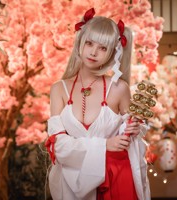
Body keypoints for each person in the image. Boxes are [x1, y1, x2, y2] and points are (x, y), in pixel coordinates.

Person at [45, 8, 150, 200]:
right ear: (80, 43)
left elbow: (132, 139)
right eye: (89, 43)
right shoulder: (59, 89)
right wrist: (105, 145)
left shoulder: (119, 89)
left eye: (103, 48)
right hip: (69, 183)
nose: (94, 52)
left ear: (113, 52)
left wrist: (133, 129)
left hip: (116, 178)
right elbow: (58, 147)